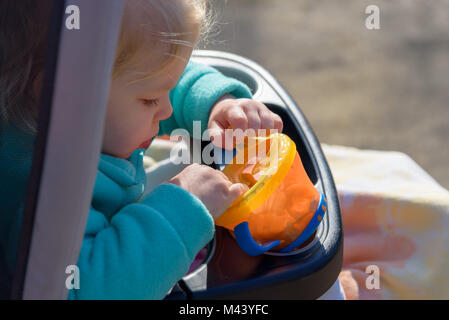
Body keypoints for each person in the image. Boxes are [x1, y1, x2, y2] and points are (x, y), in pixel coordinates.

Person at [0, 0, 283, 299]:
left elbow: (163, 79)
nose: (167, 109)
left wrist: (218, 104)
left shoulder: (76, 112)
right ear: (63, 95)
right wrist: (182, 208)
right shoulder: (49, 194)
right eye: (150, 101)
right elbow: (88, 289)